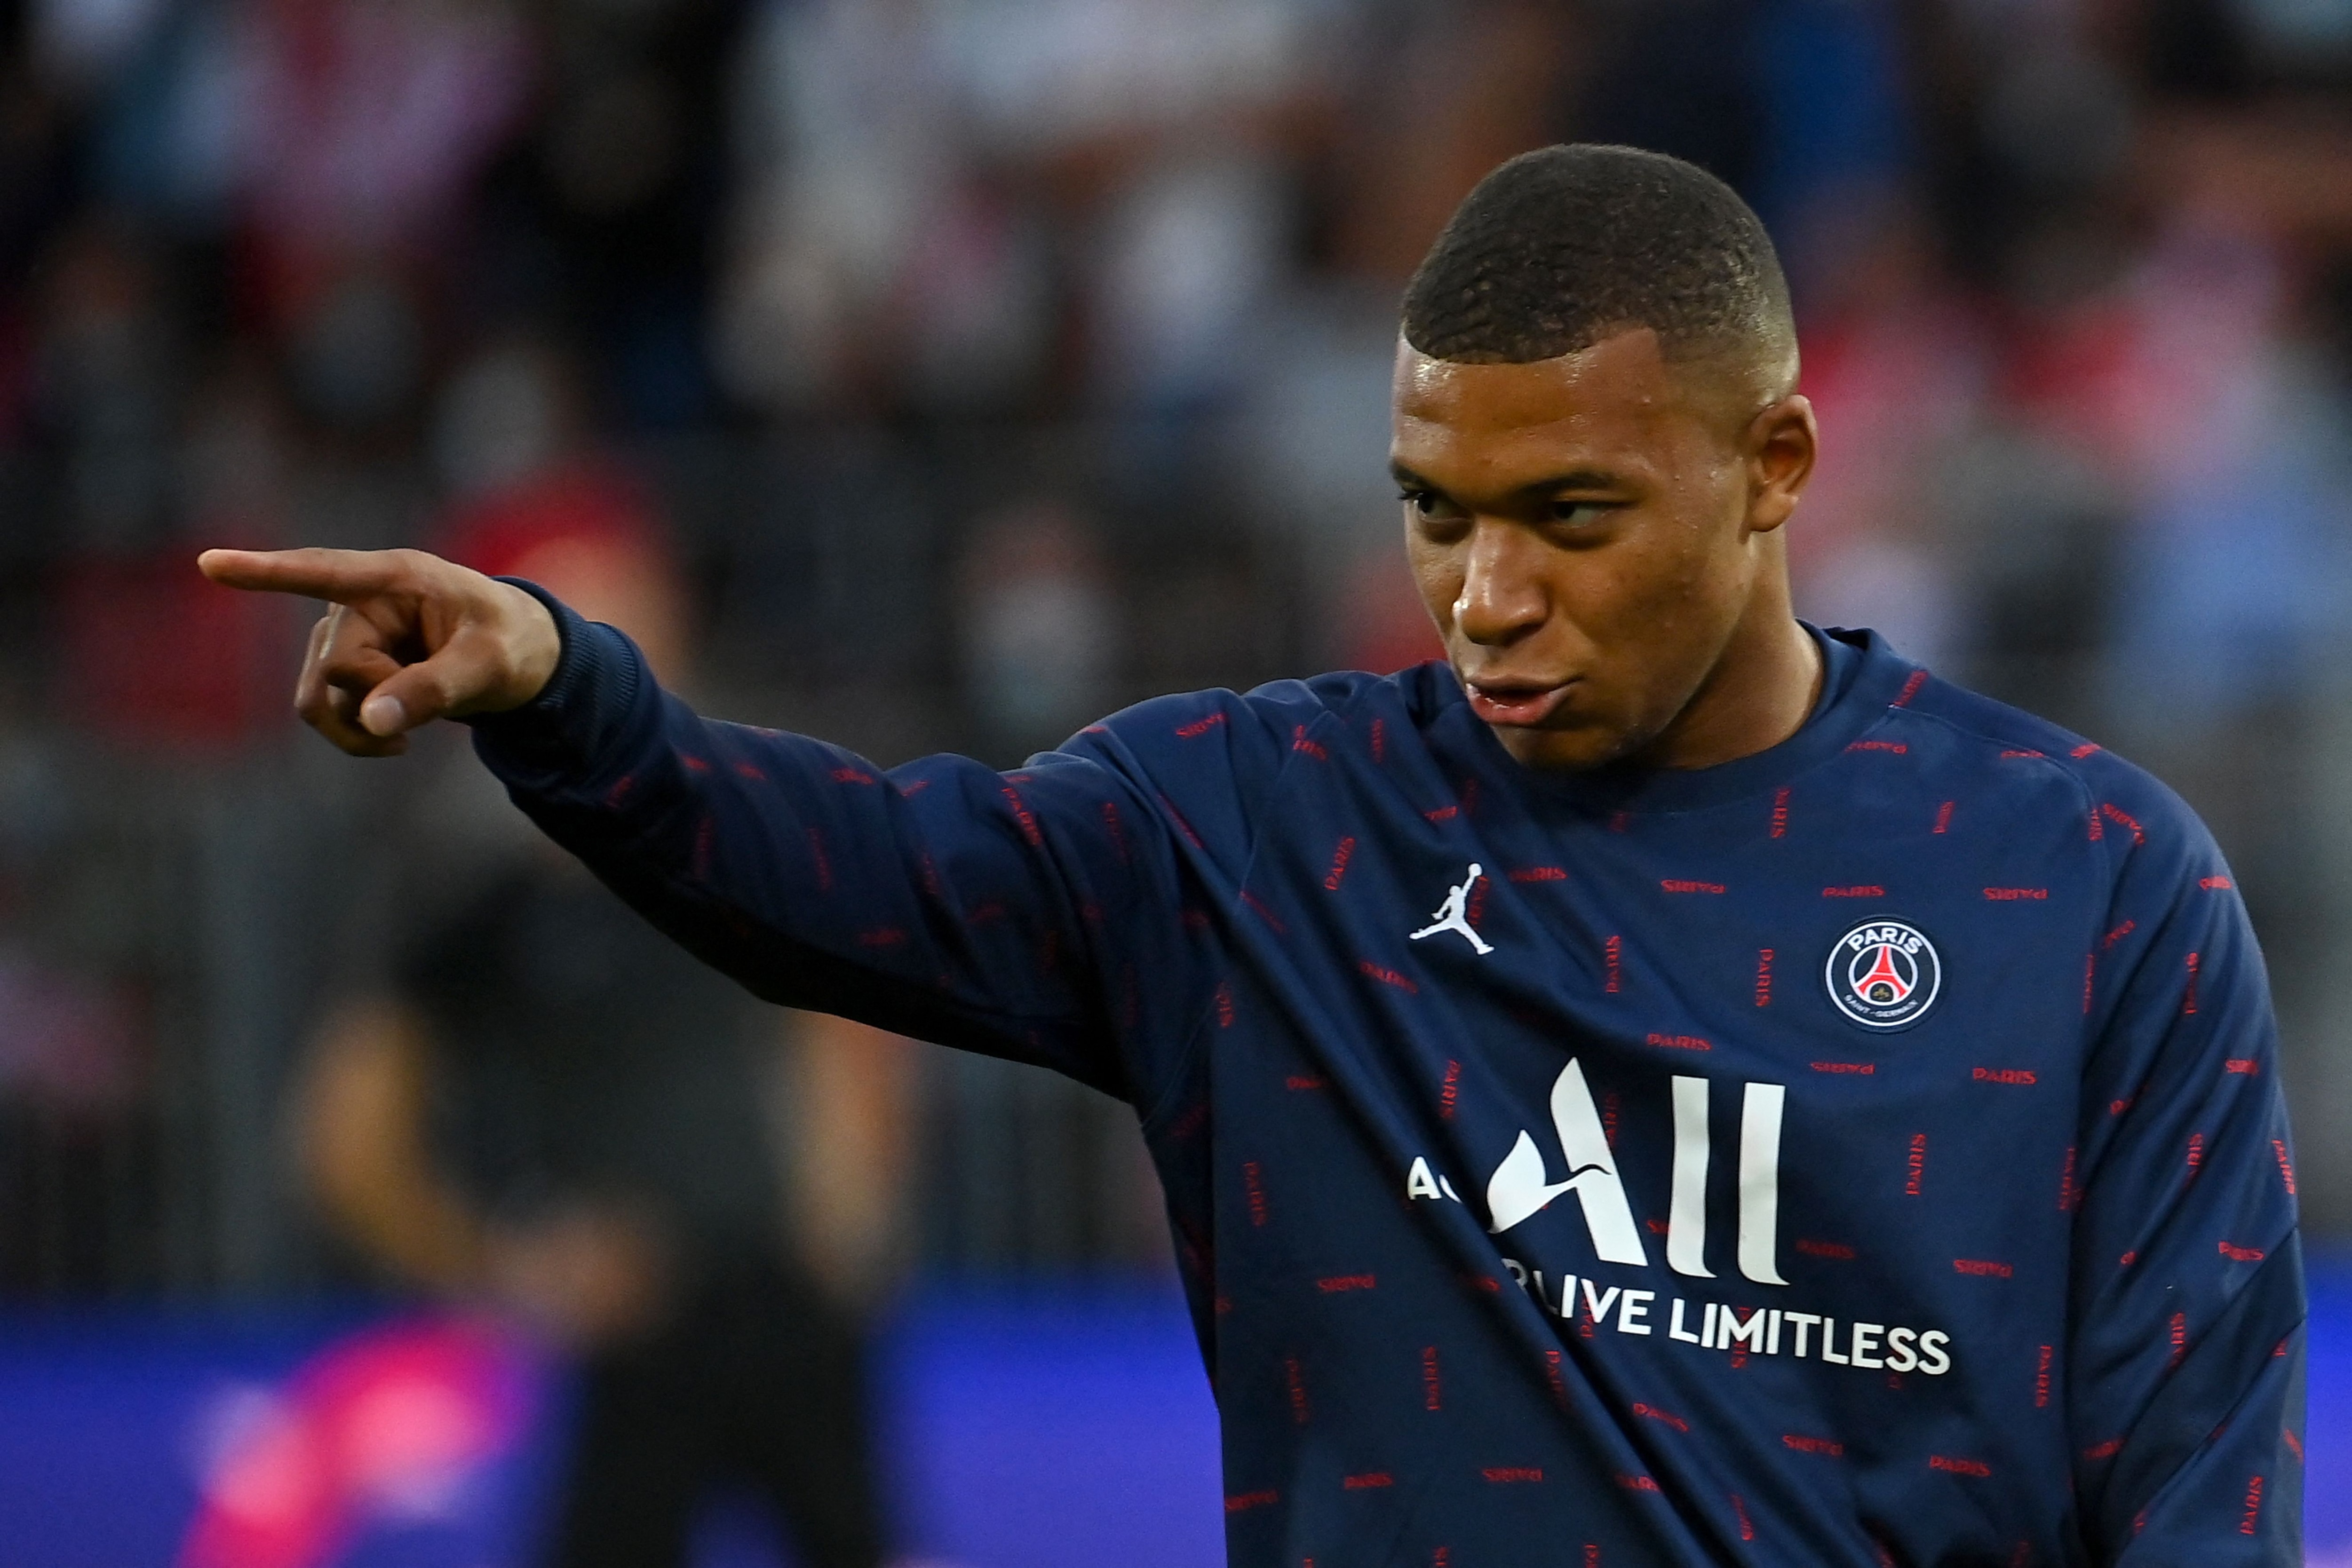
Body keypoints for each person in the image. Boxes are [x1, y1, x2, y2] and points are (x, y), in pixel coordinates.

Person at [202, 146, 2303, 1566]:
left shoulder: (2089, 882)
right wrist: (569, 688)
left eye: (1565, 515)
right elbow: (837, 862)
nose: (1477, 593)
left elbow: (2194, 1493)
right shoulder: (1252, 825)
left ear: (1772, 466)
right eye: (1429, 507)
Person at [291, 485, 893, 1568]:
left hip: (787, 1304)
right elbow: (347, 1137)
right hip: (632, 1324)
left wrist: (844, 1218)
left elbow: (842, 1027)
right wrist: (506, 1261)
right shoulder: (470, 883)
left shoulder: (743, 809)